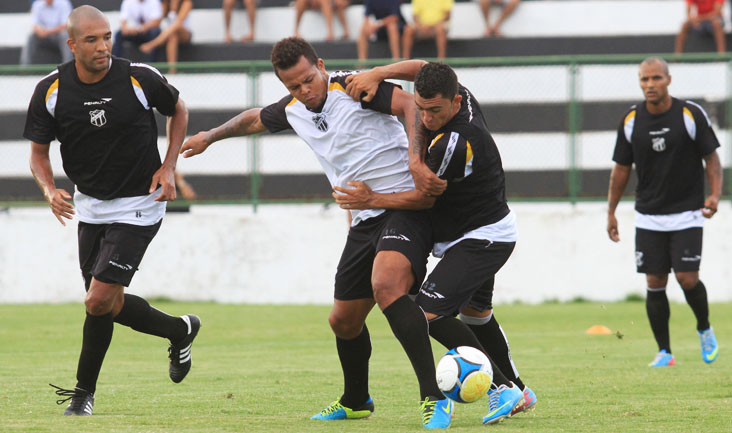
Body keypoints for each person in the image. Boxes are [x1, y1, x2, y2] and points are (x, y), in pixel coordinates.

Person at [180, 36, 509, 429]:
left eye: (308, 80)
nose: (304, 91)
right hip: (364, 215)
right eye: (293, 86)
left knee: (388, 287)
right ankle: (356, 400)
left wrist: (414, 158)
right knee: (343, 321)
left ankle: (439, 397)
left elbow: (409, 104)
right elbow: (253, 118)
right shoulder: (294, 109)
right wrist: (208, 137)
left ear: (320, 65)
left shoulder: (353, 88)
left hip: (404, 210)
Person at [23, 5, 200, 416]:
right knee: (104, 302)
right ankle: (180, 329)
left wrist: (169, 166)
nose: (103, 46)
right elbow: (37, 152)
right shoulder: (51, 89)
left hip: (141, 204)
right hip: (90, 207)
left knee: (98, 299)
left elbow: (179, 110)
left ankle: (83, 394)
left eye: (107, 37)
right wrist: (49, 190)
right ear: (72, 45)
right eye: (92, 40)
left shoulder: (139, 77)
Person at [338, 60, 533, 424]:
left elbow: (422, 200)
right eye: (421, 108)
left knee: (428, 311)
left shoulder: (453, 146)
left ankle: (503, 389)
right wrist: (379, 73)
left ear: (456, 103)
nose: (425, 118)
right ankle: (519, 389)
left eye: (435, 111)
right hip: (470, 230)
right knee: (476, 315)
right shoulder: (459, 93)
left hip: (482, 237)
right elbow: (425, 66)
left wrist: (370, 199)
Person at [607, 57, 722, 367]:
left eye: (656, 78)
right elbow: (620, 169)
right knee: (655, 281)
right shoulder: (631, 120)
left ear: (668, 80)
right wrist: (612, 211)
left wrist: (714, 194)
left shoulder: (689, 114)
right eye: (644, 79)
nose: (650, 85)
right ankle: (665, 352)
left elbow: (711, 159)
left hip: (687, 212)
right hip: (648, 215)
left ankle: (704, 328)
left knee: (686, 278)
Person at [140, 0, 194, 73]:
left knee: (176, 26)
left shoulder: (186, 2)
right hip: (169, 35)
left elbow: (178, 22)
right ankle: (172, 70)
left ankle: (152, 44)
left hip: (184, 33)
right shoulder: (165, 3)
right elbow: (159, 19)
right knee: (173, 37)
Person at [20, 0, 74, 66]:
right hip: (44, 37)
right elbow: (34, 25)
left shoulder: (64, 3)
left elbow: (66, 25)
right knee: (31, 36)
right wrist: (40, 31)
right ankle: (25, 68)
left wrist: (48, 32)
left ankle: (67, 66)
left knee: (65, 35)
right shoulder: (37, 4)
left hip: (58, 36)